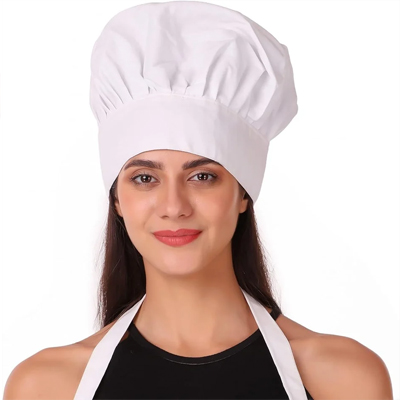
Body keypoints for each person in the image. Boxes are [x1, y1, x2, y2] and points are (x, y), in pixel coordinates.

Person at [4, 1, 393, 399]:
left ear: (243, 194)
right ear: (117, 199)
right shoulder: (46, 386)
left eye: (202, 177)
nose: (174, 206)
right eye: (144, 178)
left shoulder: (343, 379)